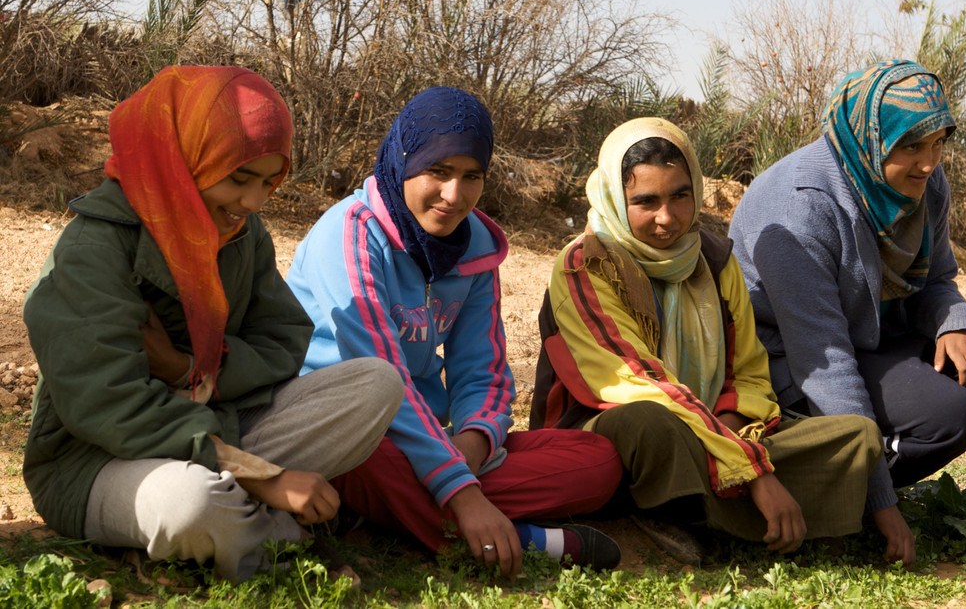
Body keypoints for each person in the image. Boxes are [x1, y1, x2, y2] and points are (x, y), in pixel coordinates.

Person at [22, 66, 403, 582]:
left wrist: (189, 371)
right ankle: (281, 541)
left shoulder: (242, 232)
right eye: (239, 178)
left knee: (376, 383)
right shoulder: (95, 247)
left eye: (268, 181)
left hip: (218, 423)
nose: (253, 202)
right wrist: (261, 475)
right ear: (183, 160)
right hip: (96, 460)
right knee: (191, 504)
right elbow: (108, 405)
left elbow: (283, 339)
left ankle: (225, 526)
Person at [286, 86, 623, 577]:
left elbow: (482, 373)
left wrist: (468, 448)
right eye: (438, 171)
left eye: (472, 177)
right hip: (344, 429)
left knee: (598, 460)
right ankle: (516, 539)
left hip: (428, 441)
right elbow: (384, 379)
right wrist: (462, 495)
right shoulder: (351, 234)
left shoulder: (477, 248)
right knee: (366, 454)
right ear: (404, 161)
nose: (454, 195)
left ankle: (401, 507)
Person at [530, 117, 882, 557]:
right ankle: (722, 513)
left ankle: (695, 514)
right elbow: (637, 384)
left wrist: (733, 437)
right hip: (615, 435)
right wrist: (752, 469)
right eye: (645, 202)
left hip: (712, 433)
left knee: (856, 435)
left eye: (680, 196)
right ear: (615, 200)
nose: (667, 218)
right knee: (649, 423)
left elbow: (750, 374)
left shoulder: (713, 259)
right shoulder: (586, 264)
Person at [728, 60, 966, 565]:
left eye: (939, 142)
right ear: (869, 139)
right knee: (950, 414)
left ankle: (863, 480)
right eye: (911, 147)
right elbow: (824, 361)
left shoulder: (924, 186)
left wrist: (956, 322)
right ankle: (839, 492)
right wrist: (883, 505)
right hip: (793, 361)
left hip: (871, 335)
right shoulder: (800, 207)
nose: (928, 162)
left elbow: (936, 281)